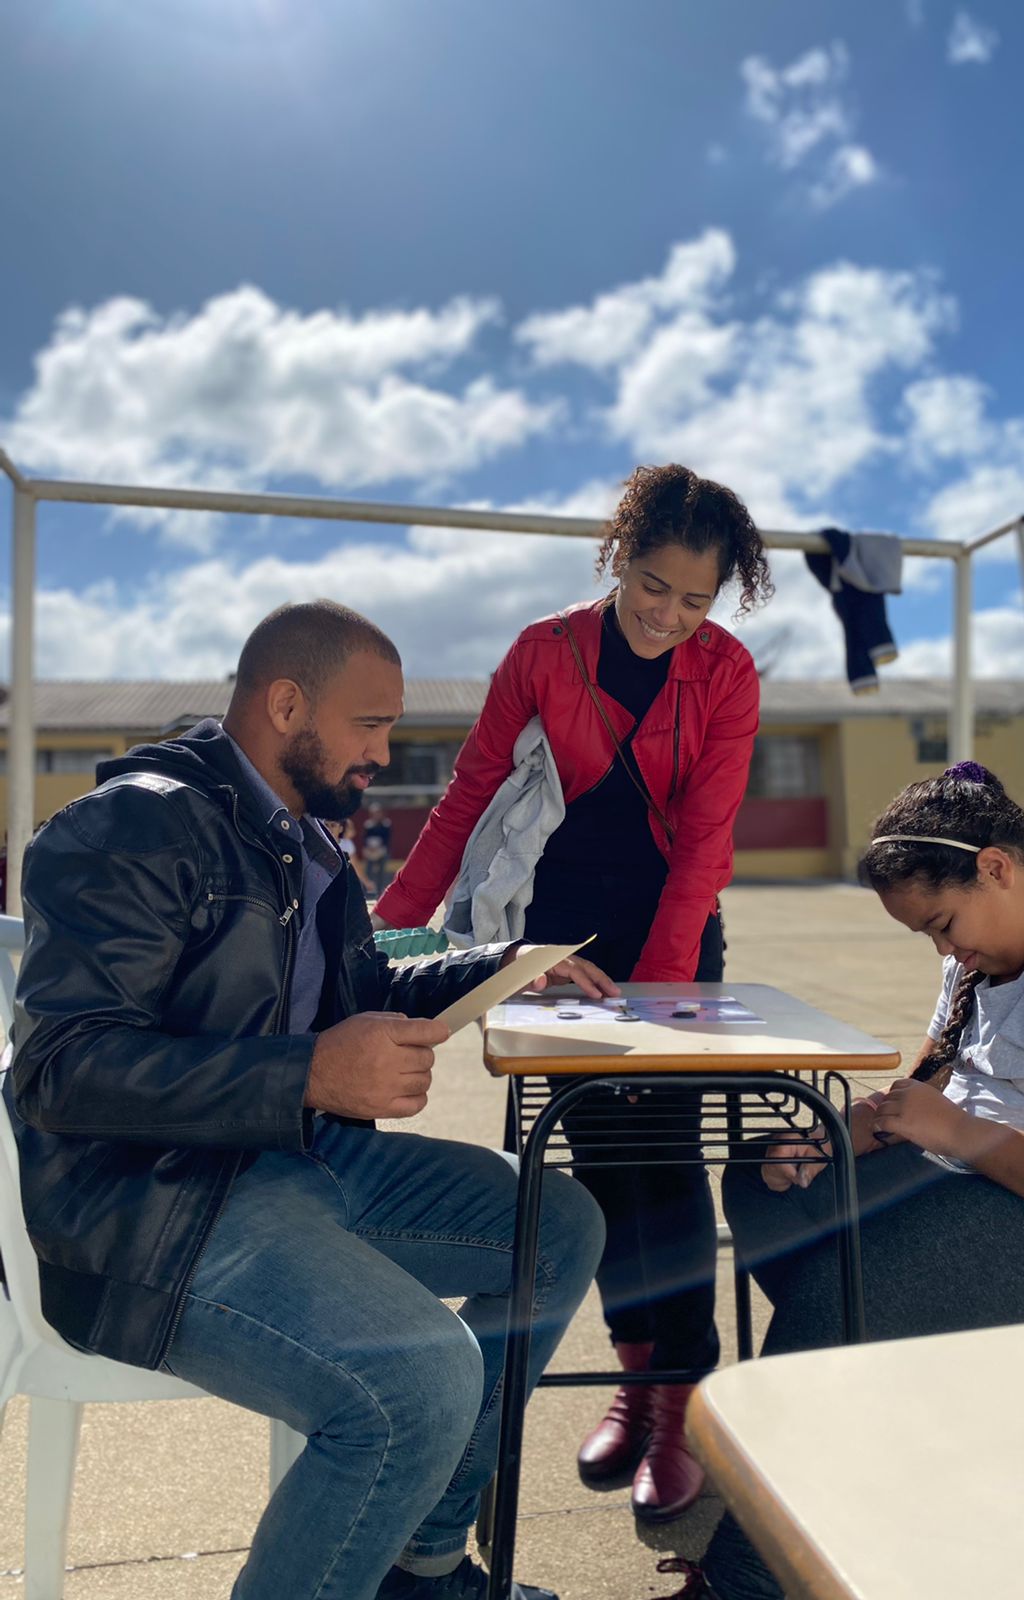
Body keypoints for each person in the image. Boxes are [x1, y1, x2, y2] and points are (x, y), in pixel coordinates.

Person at [7, 600, 613, 1600]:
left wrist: (500, 969)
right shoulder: (133, 824)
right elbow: (65, 1069)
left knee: (558, 1224)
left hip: (300, 1158)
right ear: (287, 703)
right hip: (153, 1203)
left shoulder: (307, 841)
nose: (384, 750)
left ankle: (420, 1566)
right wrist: (309, 1075)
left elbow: (362, 989)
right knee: (420, 1381)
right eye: (370, 724)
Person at [657, 760, 1024, 1599]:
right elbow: (938, 1083)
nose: (946, 949)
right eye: (929, 938)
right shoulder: (984, 957)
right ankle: (869, 1419)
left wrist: (955, 1133)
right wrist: (853, 1130)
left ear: (996, 866)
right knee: (768, 1180)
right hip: (991, 1195)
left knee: (858, 1282)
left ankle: (749, 1577)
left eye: (944, 924)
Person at [375, 463, 774, 1523]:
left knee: (665, 1155)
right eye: (653, 586)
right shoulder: (543, 653)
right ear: (618, 557)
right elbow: (468, 798)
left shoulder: (727, 674)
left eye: (696, 601)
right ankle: (635, 1377)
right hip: (551, 942)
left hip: (672, 937)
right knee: (594, 1164)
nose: (669, 616)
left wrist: (663, 1000)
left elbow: (703, 847)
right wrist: (384, 935)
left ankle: (680, 1396)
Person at [361, 800, 394, 899]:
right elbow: (365, 839)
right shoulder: (368, 825)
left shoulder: (386, 824)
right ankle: (367, 893)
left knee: (381, 873)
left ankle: (380, 893)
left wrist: (378, 848)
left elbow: (387, 840)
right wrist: (370, 848)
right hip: (370, 852)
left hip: (382, 851)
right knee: (368, 872)